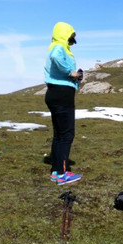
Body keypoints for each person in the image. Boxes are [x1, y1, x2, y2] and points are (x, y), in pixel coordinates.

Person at [44, 21, 83, 185]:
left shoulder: (55, 46)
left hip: (54, 93)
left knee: (59, 134)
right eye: (71, 38)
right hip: (62, 94)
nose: (71, 42)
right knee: (67, 134)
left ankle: (56, 170)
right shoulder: (59, 47)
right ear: (64, 34)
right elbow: (56, 57)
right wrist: (71, 73)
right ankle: (62, 173)